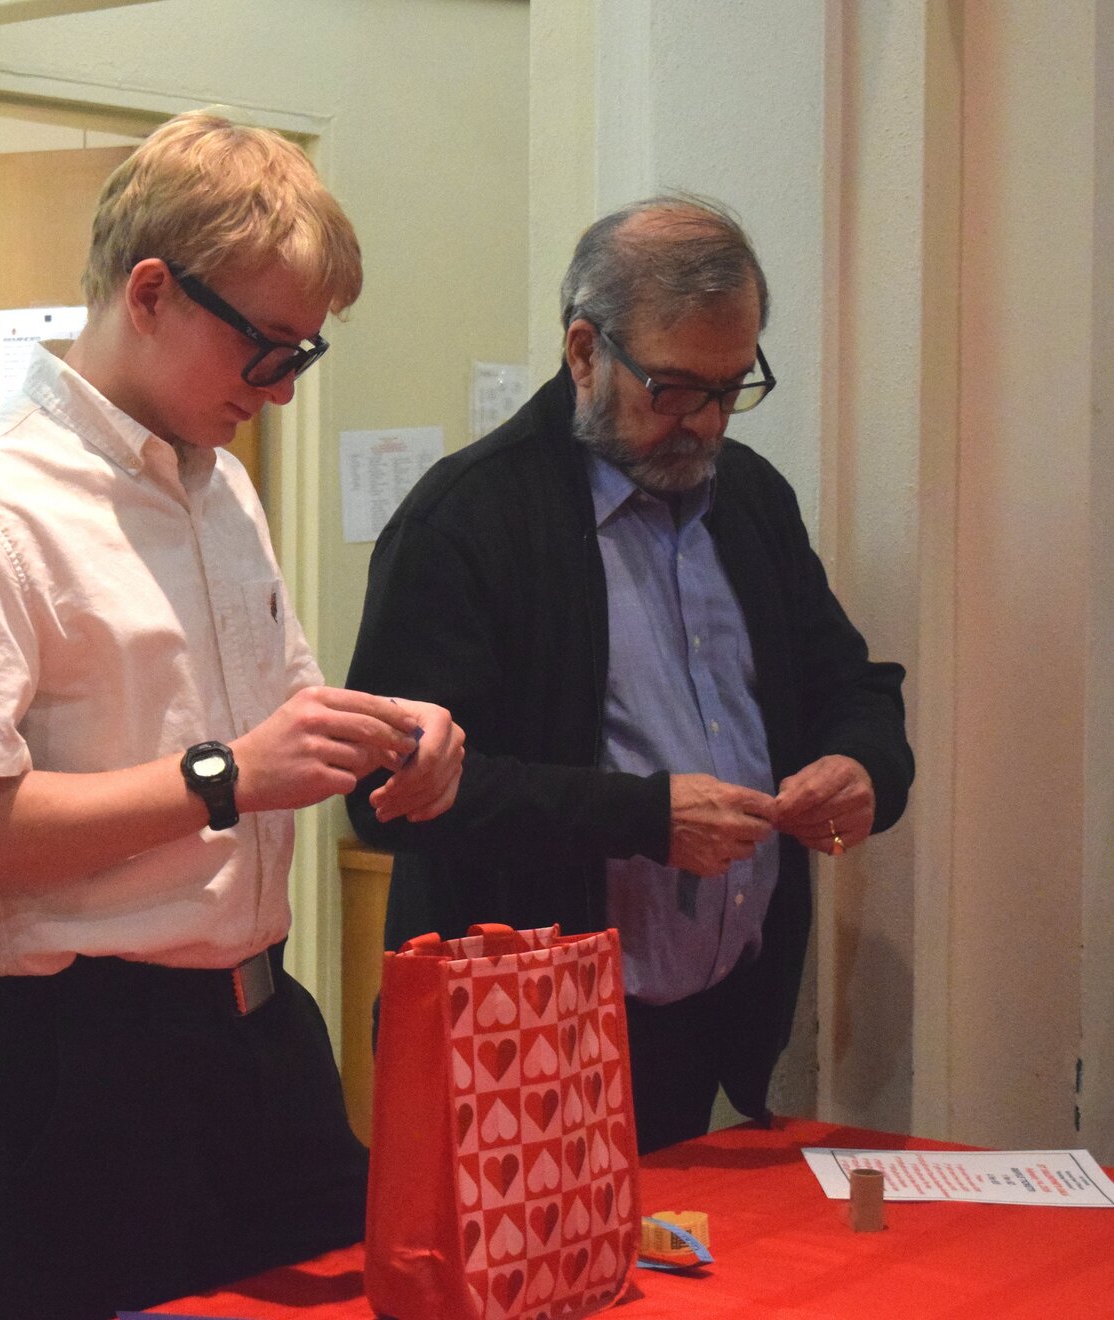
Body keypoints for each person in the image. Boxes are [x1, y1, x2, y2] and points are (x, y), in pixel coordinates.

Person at [0, 110, 465, 1320]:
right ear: (151, 292)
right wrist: (222, 778)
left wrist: (398, 732)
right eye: (265, 349)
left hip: (258, 1033)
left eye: (302, 356)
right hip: (73, 1070)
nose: (280, 391)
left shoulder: (221, 483)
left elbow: (282, 720)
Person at [345, 196, 914, 1156]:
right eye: (676, 390)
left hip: (710, 1028)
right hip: (517, 1050)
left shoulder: (751, 500)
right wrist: (645, 817)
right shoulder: (468, 519)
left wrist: (864, 770)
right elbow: (382, 798)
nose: (707, 425)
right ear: (584, 352)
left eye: (732, 388)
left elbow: (853, 686)